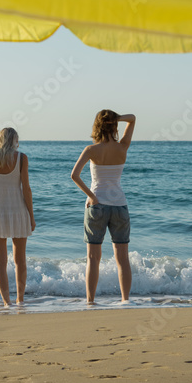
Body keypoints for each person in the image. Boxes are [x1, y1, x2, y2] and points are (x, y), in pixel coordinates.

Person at [71, 110, 136, 305]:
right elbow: (132, 119)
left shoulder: (91, 150)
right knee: (122, 259)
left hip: (96, 207)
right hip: (119, 206)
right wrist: (118, 118)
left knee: (93, 258)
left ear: (97, 126)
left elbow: (74, 175)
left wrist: (91, 196)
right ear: (114, 126)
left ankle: (90, 301)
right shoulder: (123, 147)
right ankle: (125, 300)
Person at [0, 127, 36, 307]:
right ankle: (20, 299)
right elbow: (26, 189)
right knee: (20, 260)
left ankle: (7, 302)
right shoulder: (21, 158)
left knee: (0, 261)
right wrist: (31, 215)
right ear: (14, 140)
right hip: (18, 211)